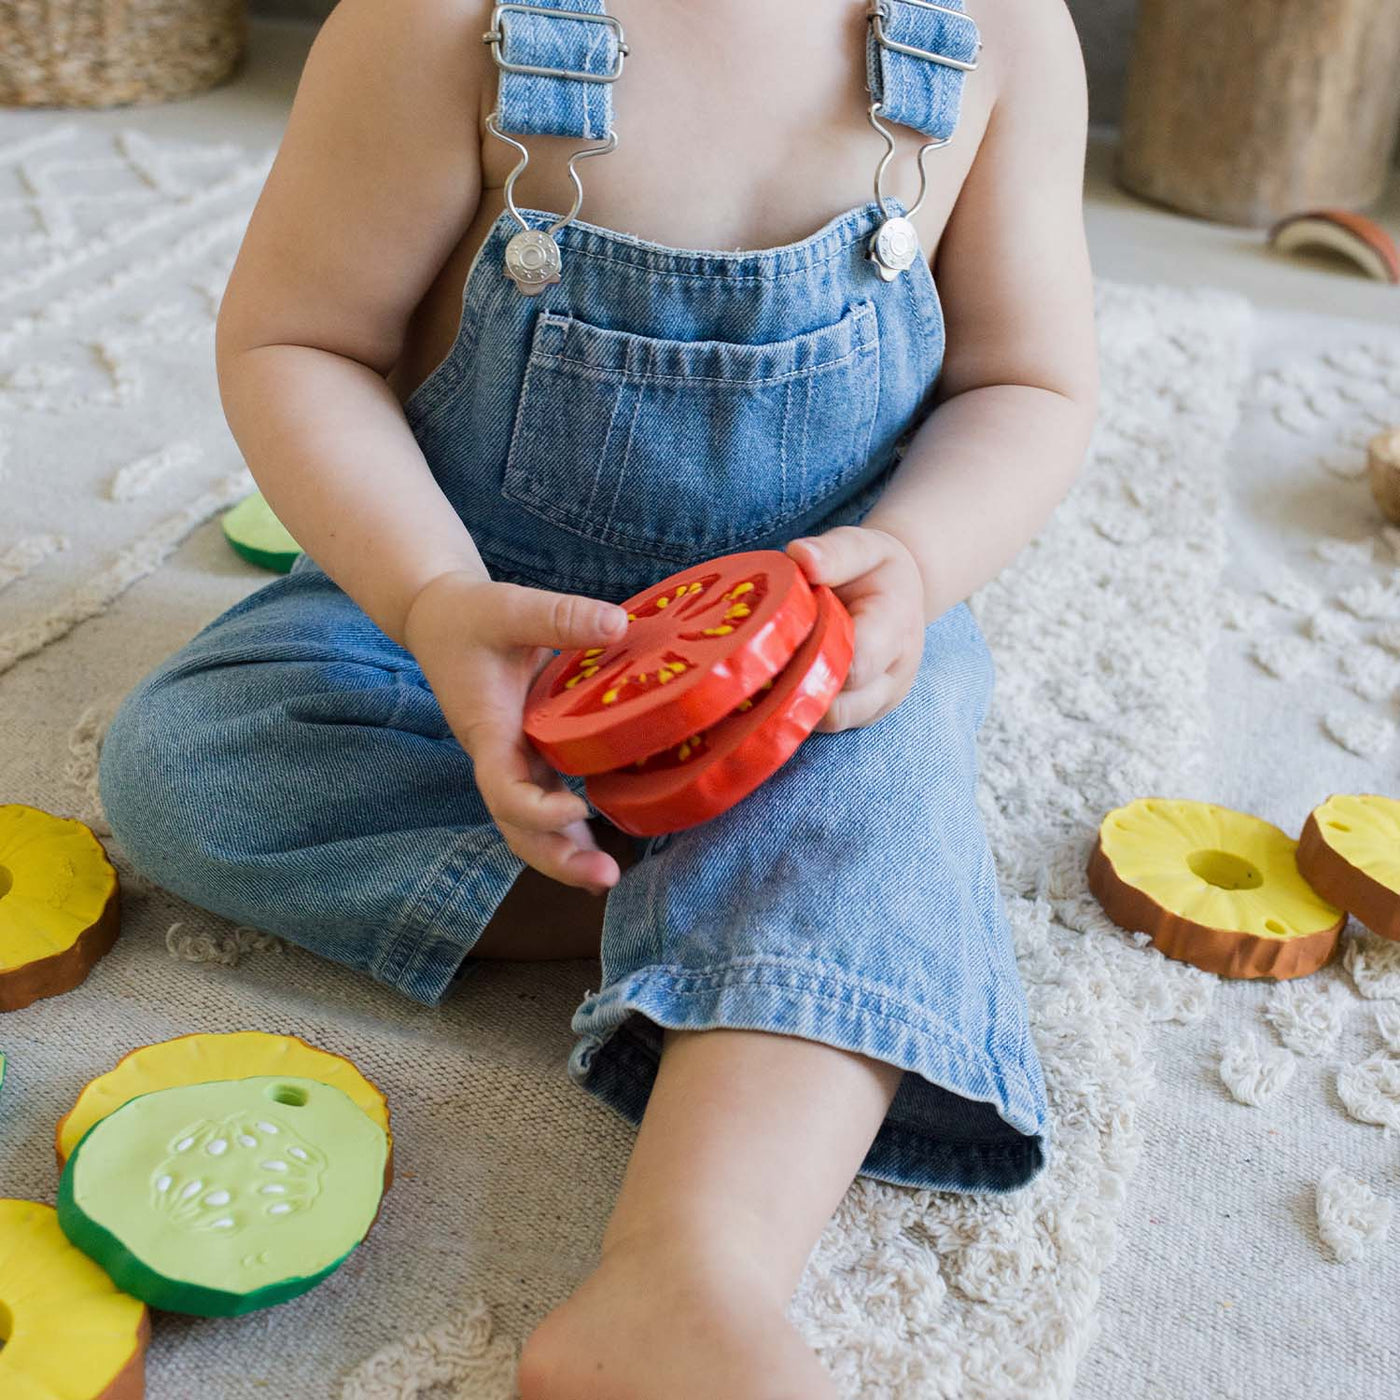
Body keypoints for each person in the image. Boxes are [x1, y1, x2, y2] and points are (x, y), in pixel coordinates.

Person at [98, 1, 1099, 1394]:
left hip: (817, 667)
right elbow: (299, 345)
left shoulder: (998, 35)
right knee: (187, 762)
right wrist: (431, 600)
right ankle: (770, 909)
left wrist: (917, 564)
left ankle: (692, 1266)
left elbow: (1027, 380)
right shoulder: (440, 26)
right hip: (489, 611)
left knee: (883, 756)